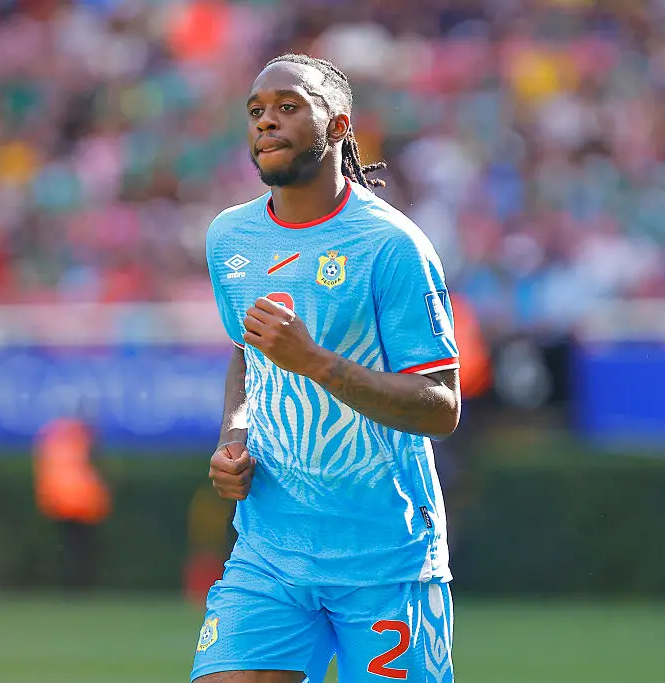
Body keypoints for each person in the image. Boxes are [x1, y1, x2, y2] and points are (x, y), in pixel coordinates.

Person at [192, 54, 462, 683]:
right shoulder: (229, 238)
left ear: (339, 126)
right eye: (256, 111)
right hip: (270, 551)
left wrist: (313, 361)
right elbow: (248, 354)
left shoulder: (392, 246)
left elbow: (441, 406)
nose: (267, 122)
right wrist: (235, 437)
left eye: (289, 107)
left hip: (385, 558)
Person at [33, 410, 112, 593]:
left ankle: (68, 585)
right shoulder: (85, 438)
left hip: (57, 500)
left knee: (67, 547)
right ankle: (82, 586)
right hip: (84, 501)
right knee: (83, 548)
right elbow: (99, 466)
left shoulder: (53, 436)